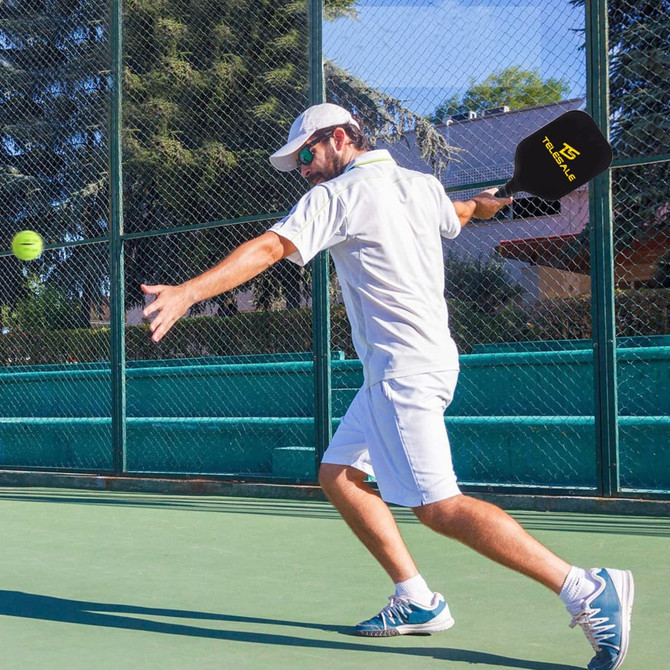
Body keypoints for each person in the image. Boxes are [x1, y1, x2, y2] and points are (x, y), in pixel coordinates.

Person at [141, 103, 634, 670]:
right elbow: (464, 210)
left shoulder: (336, 197)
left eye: (306, 153)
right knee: (341, 475)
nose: (303, 169)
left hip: (403, 372)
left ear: (340, 137)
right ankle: (416, 599)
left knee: (440, 507)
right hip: (417, 365)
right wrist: (486, 202)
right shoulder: (420, 186)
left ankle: (585, 588)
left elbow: (271, 248)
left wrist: (189, 292)